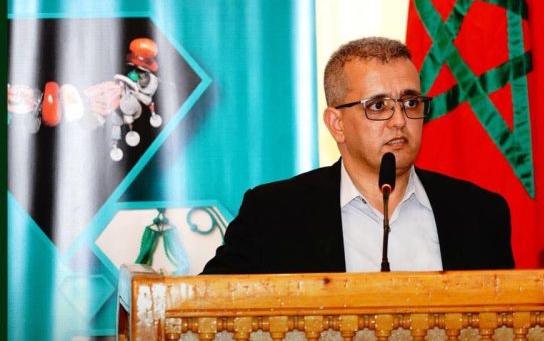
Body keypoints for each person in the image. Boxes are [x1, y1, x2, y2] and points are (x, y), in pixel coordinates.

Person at [203, 37, 514, 274]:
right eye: (378, 106)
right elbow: (208, 311)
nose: (399, 120)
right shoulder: (273, 214)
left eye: (410, 103)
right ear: (337, 125)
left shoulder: (480, 213)